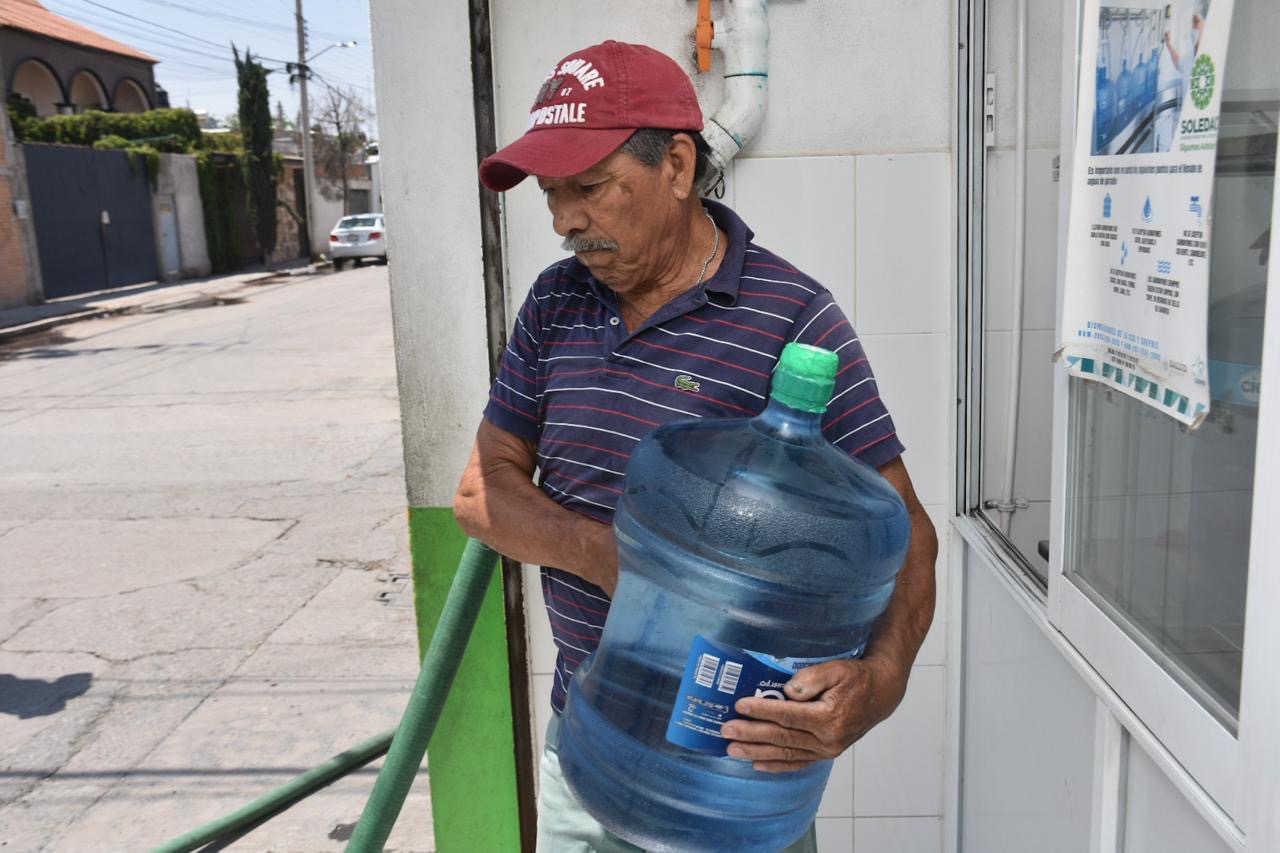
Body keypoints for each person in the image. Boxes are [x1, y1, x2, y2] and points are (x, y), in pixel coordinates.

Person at [454, 39, 938, 852]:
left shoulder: (792, 319)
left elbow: (907, 529)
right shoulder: (554, 302)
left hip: (730, 777)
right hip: (585, 752)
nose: (566, 219)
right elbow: (481, 491)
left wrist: (880, 680)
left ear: (676, 166)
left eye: (591, 188)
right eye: (550, 193)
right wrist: (625, 560)